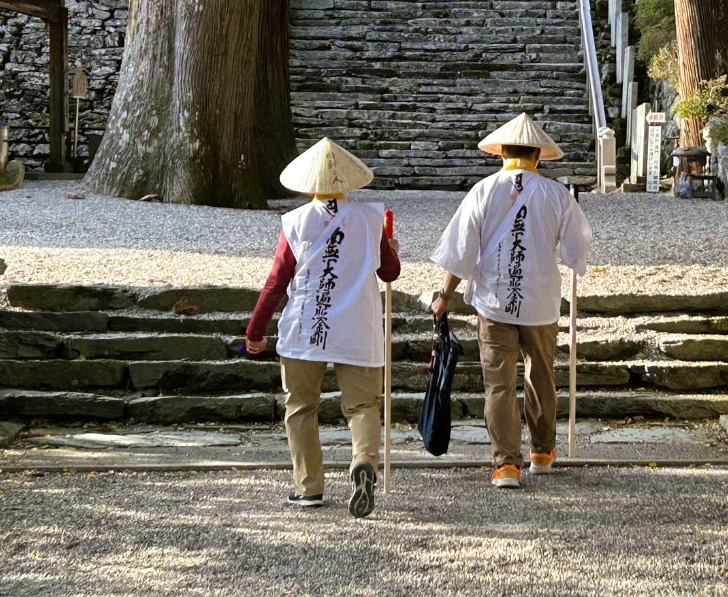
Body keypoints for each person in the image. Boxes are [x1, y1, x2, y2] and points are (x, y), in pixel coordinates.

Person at [430, 112, 591, 490]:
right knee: (541, 374)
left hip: (494, 301)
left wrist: (445, 296)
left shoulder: (483, 191)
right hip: (540, 301)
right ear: (538, 155)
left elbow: (461, 251)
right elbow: (576, 250)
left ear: (502, 152)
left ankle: (505, 464)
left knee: (499, 383)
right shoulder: (557, 195)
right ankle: (542, 452)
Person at [244, 137, 400, 517]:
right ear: (346, 180)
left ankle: (308, 486)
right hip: (358, 326)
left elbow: (276, 281)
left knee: (301, 406)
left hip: (305, 326)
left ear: (309, 183)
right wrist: (391, 249)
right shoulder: (369, 219)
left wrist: (255, 330)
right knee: (363, 405)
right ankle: (363, 462)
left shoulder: (295, 222)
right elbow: (389, 273)